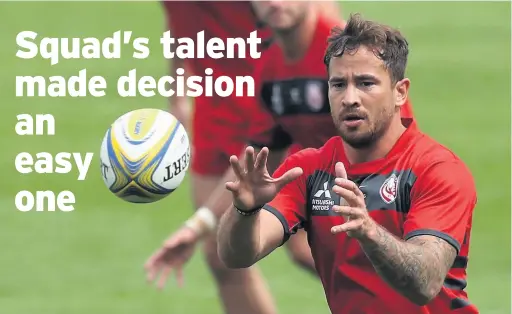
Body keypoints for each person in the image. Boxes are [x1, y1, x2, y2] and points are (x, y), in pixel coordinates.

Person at [217, 13, 479, 314]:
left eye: (366, 83)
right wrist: (245, 211)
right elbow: (236, 256)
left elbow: (425, 282)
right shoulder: (309, 170)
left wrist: (369, 231)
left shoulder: (435, 169)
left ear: (399, 92)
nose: (349, 98)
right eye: (338, 84)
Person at [145, 2, 343, 314]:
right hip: (215, 108)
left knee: (313, 246)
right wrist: (178, 93)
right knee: (222, 254)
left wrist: (332, 75)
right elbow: (178, 19)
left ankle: (409, 297)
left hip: (273, 99)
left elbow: (313, 15)